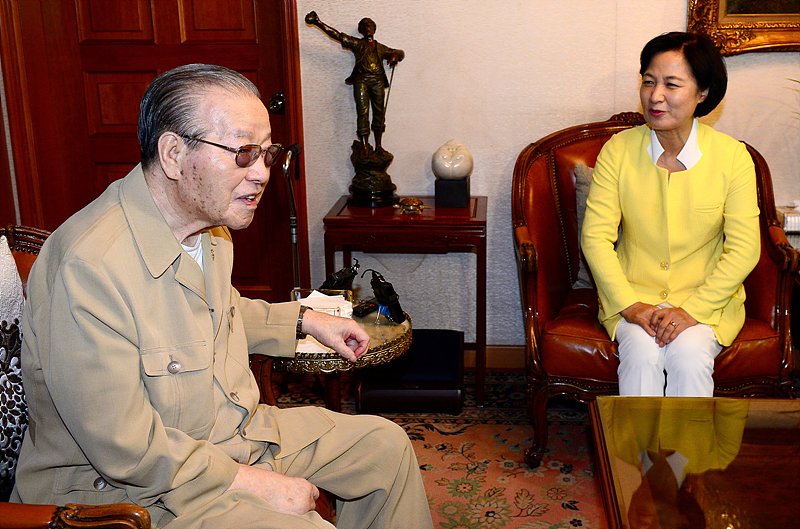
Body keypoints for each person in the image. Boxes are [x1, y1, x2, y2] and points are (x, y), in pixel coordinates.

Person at [11, 64, 434, 529]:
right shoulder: (89, 266)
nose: (261, 174)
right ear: (173, 154)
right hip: (128, 491)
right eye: (243, 153)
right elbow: (127, 449)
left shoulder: (209, 231)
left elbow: (214, 314)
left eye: (267, 154)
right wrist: (256, 484)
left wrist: (306, 320)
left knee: (384, 448)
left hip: (225, 435)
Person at [581, 32, 760, 397]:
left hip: (706, 302)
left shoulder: (732, 157)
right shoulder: (618, 151)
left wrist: (693, 310)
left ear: (703, 92)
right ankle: (633, 455)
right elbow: (595, 237)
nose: (654, 95)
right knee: (642, 353)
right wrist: (630, 305)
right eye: (648, 81)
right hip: (633, 297)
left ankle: (687, 456)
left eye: (671, 84)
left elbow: (744, 249)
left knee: (690, 355)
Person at [306, 12, 404, 155]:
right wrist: (318, 22)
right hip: (362, 80)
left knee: (379, 113)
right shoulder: (358, 43)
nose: (367, 27)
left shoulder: (381, 48)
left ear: (374, 29)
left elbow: (400, 52)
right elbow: (338, 36)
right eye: (364, 25)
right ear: (360, 30)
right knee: (362, 112)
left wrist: (395, 55)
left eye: (370, 25)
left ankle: (378, 146)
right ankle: (364, 146)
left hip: (377, 81)